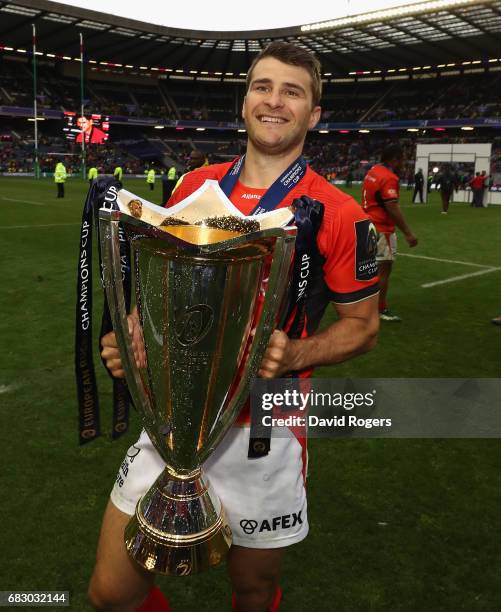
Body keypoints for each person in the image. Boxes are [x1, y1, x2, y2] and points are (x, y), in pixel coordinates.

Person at [89, 42, 380, 612]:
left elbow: (363, 328)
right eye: (262, 87)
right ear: (245, 100)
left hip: (263, 432)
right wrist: (135, 335)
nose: (274, 101)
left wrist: (295, 353)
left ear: (313, 114)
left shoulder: (343, 214)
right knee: (110, 594)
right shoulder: (194, 186)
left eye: (292, 91)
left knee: (252, 589)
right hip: (177, 416)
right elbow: (163, 290)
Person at [362, 144, 418, 322]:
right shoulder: (389, 177)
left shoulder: (373, 171)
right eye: (401, 159)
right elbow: (392, 207)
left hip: (366, 225)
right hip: (381, 229)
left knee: (368, 269)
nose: (403, 163)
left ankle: (363, 306)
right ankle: (379, 309)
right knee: (383, 270)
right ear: (394, 159)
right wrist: (408, 233)